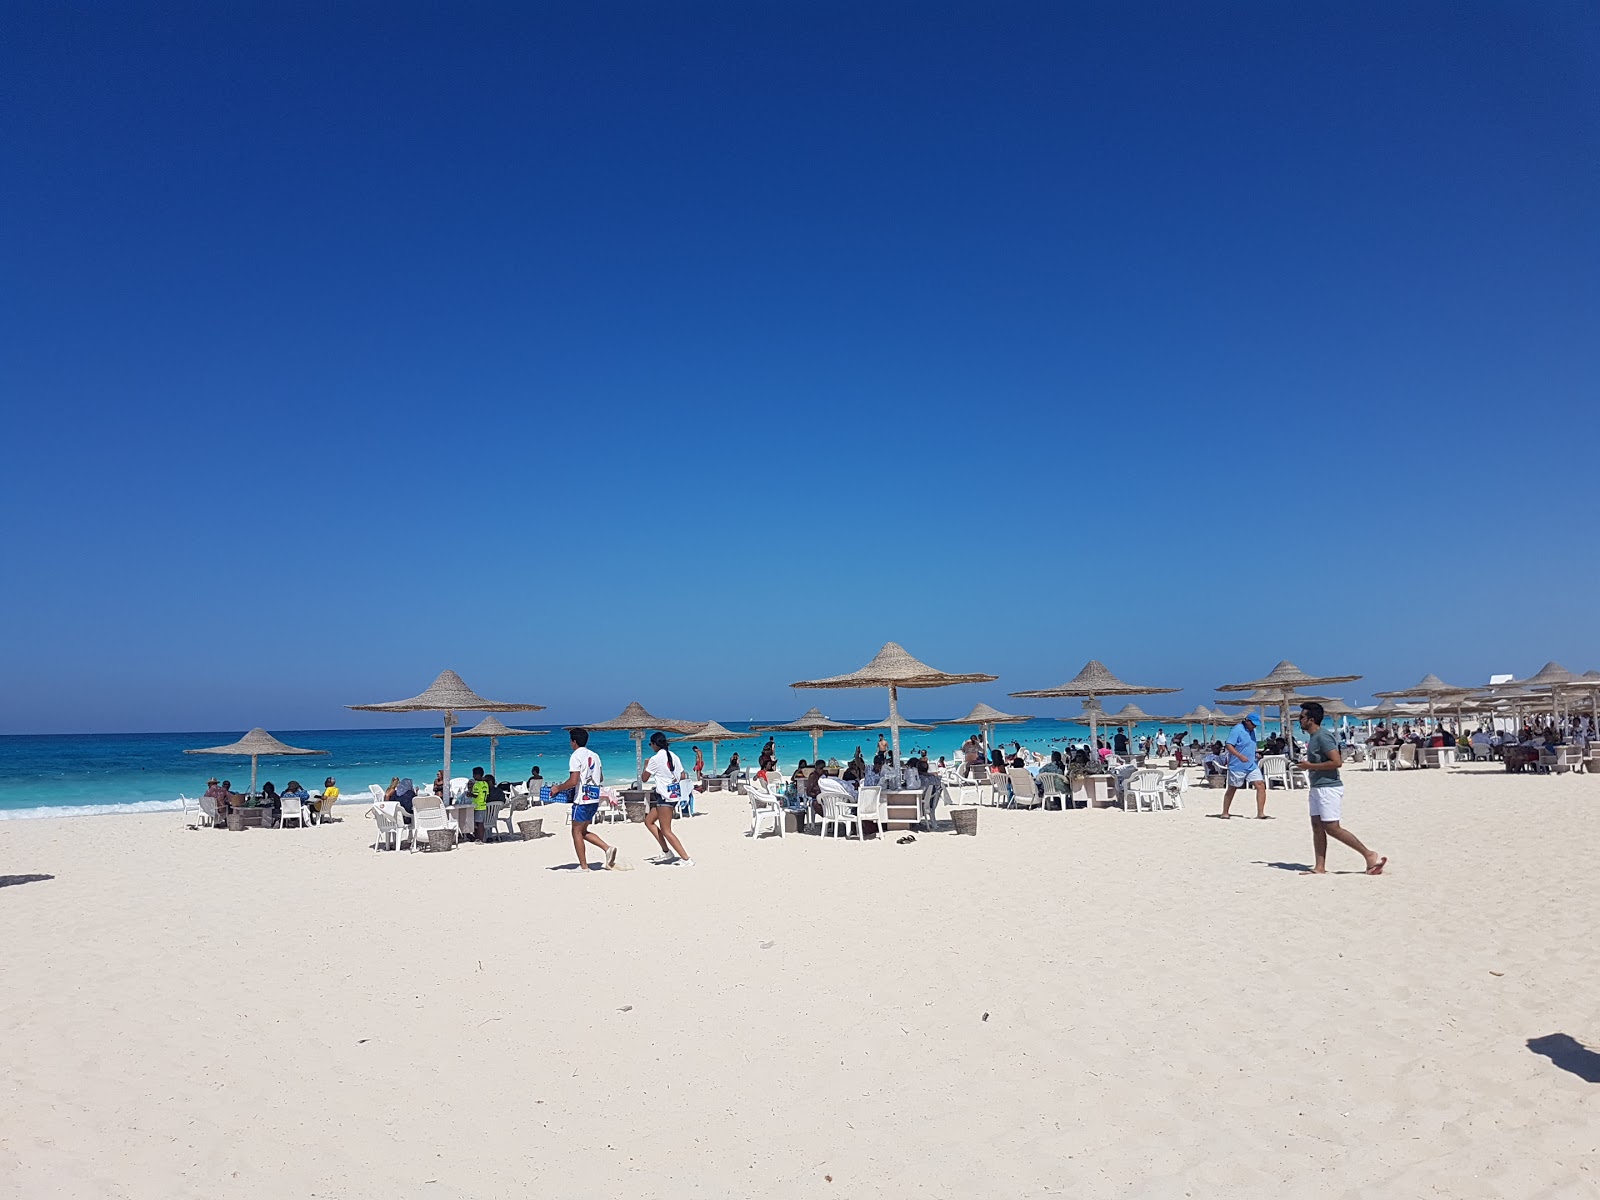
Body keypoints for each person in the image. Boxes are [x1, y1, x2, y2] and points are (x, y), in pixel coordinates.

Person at [1294, 702, 1385, 875]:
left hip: (1328, 787)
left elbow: (1337, 762)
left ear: (1311, 720)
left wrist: (1310, 765)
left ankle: (1369, 854)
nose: (1299, 720)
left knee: (1332, 827)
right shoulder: (1313, 737)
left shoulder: (1323, 737)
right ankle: (1320, 867)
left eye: (1301, 717)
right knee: (1317, 827)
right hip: (1317, 787)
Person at [550, 728, 615, 872]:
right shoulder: (595, 756)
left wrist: (558, 788)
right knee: (583, 831)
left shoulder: (576, 756)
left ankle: (584, 866)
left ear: (574, 742)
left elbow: (573, 781)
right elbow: (601, 778)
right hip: (593, 798)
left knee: (576, 832)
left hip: (582, 799)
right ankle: (607, 848)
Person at [641, 731, 694, 866]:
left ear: (654, 744)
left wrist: (646, 765)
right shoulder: (674, 756)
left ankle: (686, 858)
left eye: (650, 744)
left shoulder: (655, 759)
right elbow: (682, 775)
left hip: (665, 797)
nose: (651, 747)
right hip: (673, 794)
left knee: (666, 830)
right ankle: (666, 852)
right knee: (649, 821)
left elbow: (644, 779)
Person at [1220, 712, 1268, 819]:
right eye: (1253, 724)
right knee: (1232, 788)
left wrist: (1255, 753)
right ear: (1247, 721)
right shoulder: (1237, 730)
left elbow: (1249, 744)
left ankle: (1261, 813)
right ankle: (1225, 812)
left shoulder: (1253, 731)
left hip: (1251, 764)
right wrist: (1240, 756)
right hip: (1237, 765)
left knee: (1260, 785)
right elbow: (1228, 745)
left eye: (1256, 724)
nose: (1255, 726)